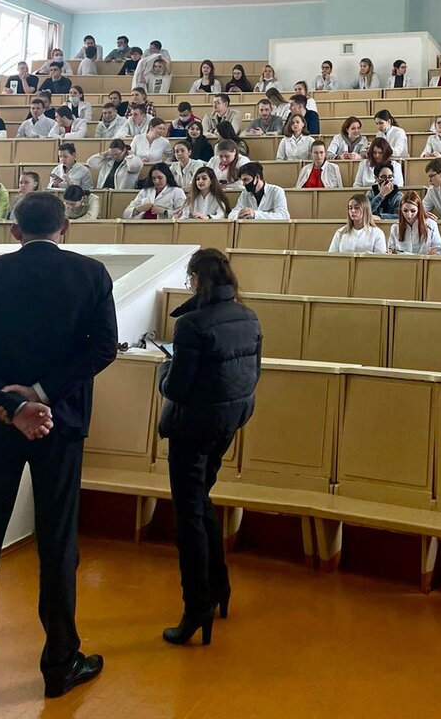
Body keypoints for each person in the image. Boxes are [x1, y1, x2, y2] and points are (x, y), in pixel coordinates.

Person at [0, 192, 116, 704]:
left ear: (14, 231)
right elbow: (103, 348)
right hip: (60, 424)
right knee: (58, 545)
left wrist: (11, 402)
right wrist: (41, 397)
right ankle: (60, 664)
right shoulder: (91, 275)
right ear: (65, 227)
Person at [159, 248, 261, 647]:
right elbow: (253, 374)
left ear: (196, 279)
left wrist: (164, 369)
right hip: (227, 422)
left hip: (192, 428)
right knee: (201, 501)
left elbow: (176, 388)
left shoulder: (191, 325)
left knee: (188, 517)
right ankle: (218, 586)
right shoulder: (248, 317)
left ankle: (196, 605)